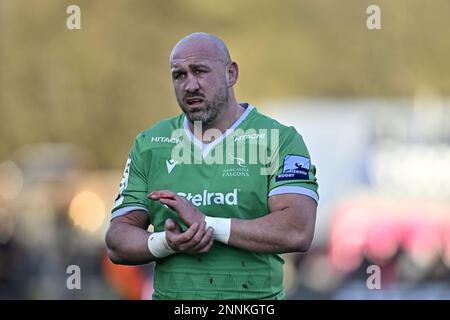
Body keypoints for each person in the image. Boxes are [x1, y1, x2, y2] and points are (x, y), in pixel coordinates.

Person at [105, 32, 319, 300]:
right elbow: (117, 240)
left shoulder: (278, 140)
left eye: (200, 71)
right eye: (179, 75)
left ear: (231, 74)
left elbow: (297, 230)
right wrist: (166, 243)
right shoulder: (150, 144)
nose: (190, 85)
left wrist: (207, 225)